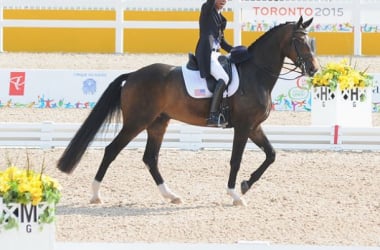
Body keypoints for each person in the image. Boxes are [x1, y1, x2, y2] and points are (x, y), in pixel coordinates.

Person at [195, 0, 233, 127]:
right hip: (207, 53)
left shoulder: (221, 18)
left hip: (217, 54)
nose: (223, 1)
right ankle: (213, 115)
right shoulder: (207, 9)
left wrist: (237, 50)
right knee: (224, 78)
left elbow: (222, 42)